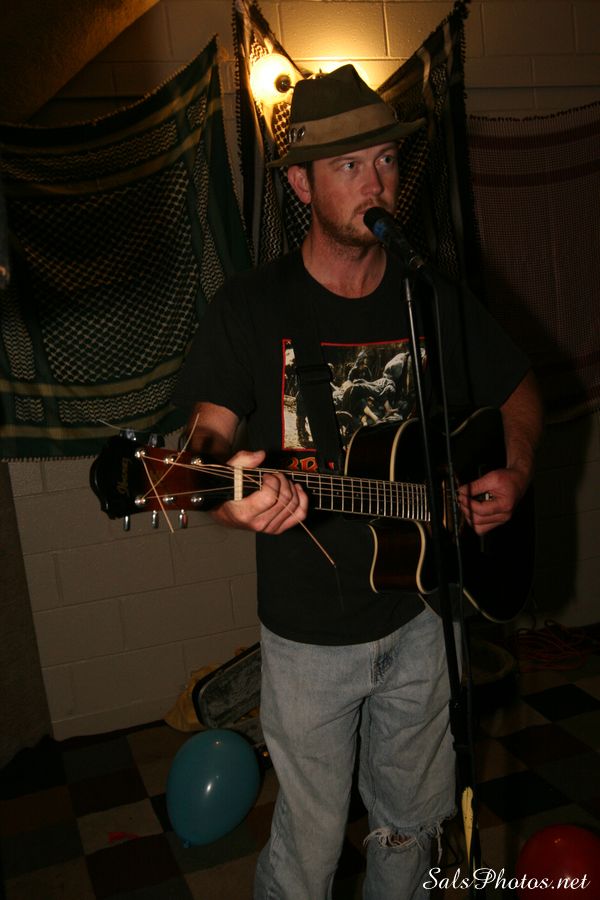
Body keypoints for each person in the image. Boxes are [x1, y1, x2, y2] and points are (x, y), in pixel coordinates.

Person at [174, 65, 542, 899]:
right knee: (307, 853)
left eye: (384, 159)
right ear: (302, 184)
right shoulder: (252, 308)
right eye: (349, 165)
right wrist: (227, 493)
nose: (376, 183)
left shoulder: (429, 296)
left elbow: (519, 389)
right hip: (309, 637)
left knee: (411, 828)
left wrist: (515, 470)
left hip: (425, 615)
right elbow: (204, 444)